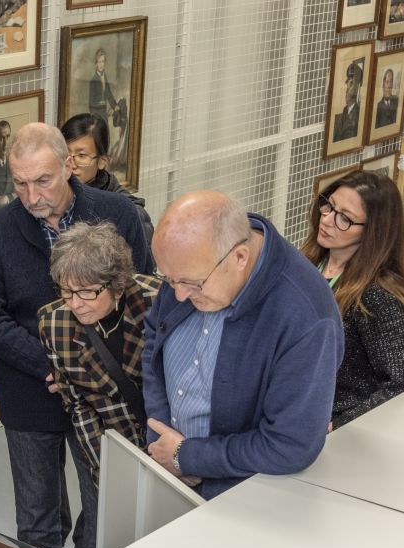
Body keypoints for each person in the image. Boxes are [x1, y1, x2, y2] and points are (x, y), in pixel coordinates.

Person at [0, 122, 149, 548]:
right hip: (30, 394)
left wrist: (83, 368)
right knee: (37, 524)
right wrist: (51, 365)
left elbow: (143, 299)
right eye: (20, 183)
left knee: (101, 511)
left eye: (43, 181)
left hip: (103, 396)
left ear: (69, 166)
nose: (32, 196)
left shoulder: (118, 215)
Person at [143, 191, 344, 498]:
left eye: (192, 284)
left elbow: (291, 446)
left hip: (241, 499)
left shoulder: (306, 314)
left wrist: (189, 456)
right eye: (169, 281)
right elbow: (154, 338)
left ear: (239, 257)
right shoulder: (190, 264)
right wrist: (161, 439)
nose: (179, 295)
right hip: (167, 471)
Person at [37, 222, 160, 548]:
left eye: (88, 292)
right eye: (66, 291)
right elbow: (78, 405)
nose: (76, 304)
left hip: (167, 439)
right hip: (111, 445)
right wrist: (106, 471)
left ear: (117, 286)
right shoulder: (54, 324)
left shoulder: (158, 305)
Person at [301, 172, 404, 428]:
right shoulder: (308, 262)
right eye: (329, 205)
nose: (326, 219)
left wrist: (343, 423)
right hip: (295, 408)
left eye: (345, 218)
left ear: (373, 232)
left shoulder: (377, 295)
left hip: (331, 426)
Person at [60, 113, 155, 245]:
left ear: (102, 161)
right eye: (65, 153)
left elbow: (144, 264)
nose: (71, 164)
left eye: (81, 155)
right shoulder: (50, 197)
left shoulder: (130, 213)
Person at [332, 61, 363, 142]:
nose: (347, 88)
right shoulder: (345, 111)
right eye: (347, 83)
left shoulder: (359, 114)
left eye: (351, 83)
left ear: (358, 88)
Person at [88, 48, 119, 123]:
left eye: (103, 61)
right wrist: (102, 103)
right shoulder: (93, 81)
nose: (101, 64)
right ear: (96, 64)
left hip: (104, 113)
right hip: (96, 114)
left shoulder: (105, 77)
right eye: (99, 62)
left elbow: (109, 94)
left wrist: (115, 106)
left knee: (106, 133)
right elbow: (91, 102)